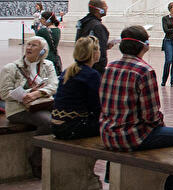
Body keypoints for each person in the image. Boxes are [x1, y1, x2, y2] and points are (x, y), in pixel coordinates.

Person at [100, 26, 173, 190]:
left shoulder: (110, 67)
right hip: (132, 136)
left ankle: (110, 177)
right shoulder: (144, 70)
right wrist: (160, 125)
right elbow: (151, 115)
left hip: (107, 132)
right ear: (144, 45)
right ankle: (168, 189)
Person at [0, 36, 58, 176]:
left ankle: (58, 158)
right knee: (48, 122)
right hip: (19, 109)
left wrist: (38, 93)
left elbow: (54, 85)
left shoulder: (48, 65)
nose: (29, 47)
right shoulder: (11, 68)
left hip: (42, 104)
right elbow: (3, 93)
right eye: (28, 44)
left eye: (34, 45)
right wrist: (26, 94)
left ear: (43, 51)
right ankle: (36, 159)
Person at [52, 36, 102, 140]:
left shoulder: (68, 70)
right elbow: (96, 105)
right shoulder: (91, 74)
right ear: (94, 54)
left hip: (56, 125)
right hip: (72, 127)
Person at [75, 0, 113, 73]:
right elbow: (100, 52)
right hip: (94, 68)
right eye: (105, 7)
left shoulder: (83, 23)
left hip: (81, 63)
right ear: (99, 10)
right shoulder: (98, 26)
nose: (107, 8)